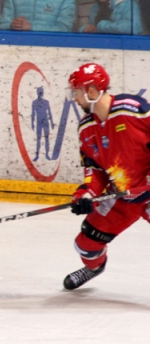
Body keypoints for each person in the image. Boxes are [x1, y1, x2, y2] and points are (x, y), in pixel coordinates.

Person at [65, 62, 150, 290]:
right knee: (85, 244)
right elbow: (95, 170)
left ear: (91, 91)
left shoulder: (132, 109)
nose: (75, 99)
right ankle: (94, 268)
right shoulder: (86, 128)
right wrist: (86, 194)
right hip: (123, 196)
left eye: (77, 92)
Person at [0, 0, 76, 32]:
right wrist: (12, 25)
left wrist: (31, 27)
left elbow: (64, 29)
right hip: (15, 51)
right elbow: (1, 26)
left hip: (52, 52)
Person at [31, 87, 55, 161]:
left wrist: (51, 122)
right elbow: (33, 113)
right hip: (39, 122)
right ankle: (37, 155)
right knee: (38, 139)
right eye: (40, 92)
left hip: (45, 121)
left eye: (42, 92)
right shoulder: (34, 102)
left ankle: (47, 154)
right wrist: (32, 122)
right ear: (37, 93)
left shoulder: (46, 102)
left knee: (47, 138)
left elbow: (49, 112)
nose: (41, 94)